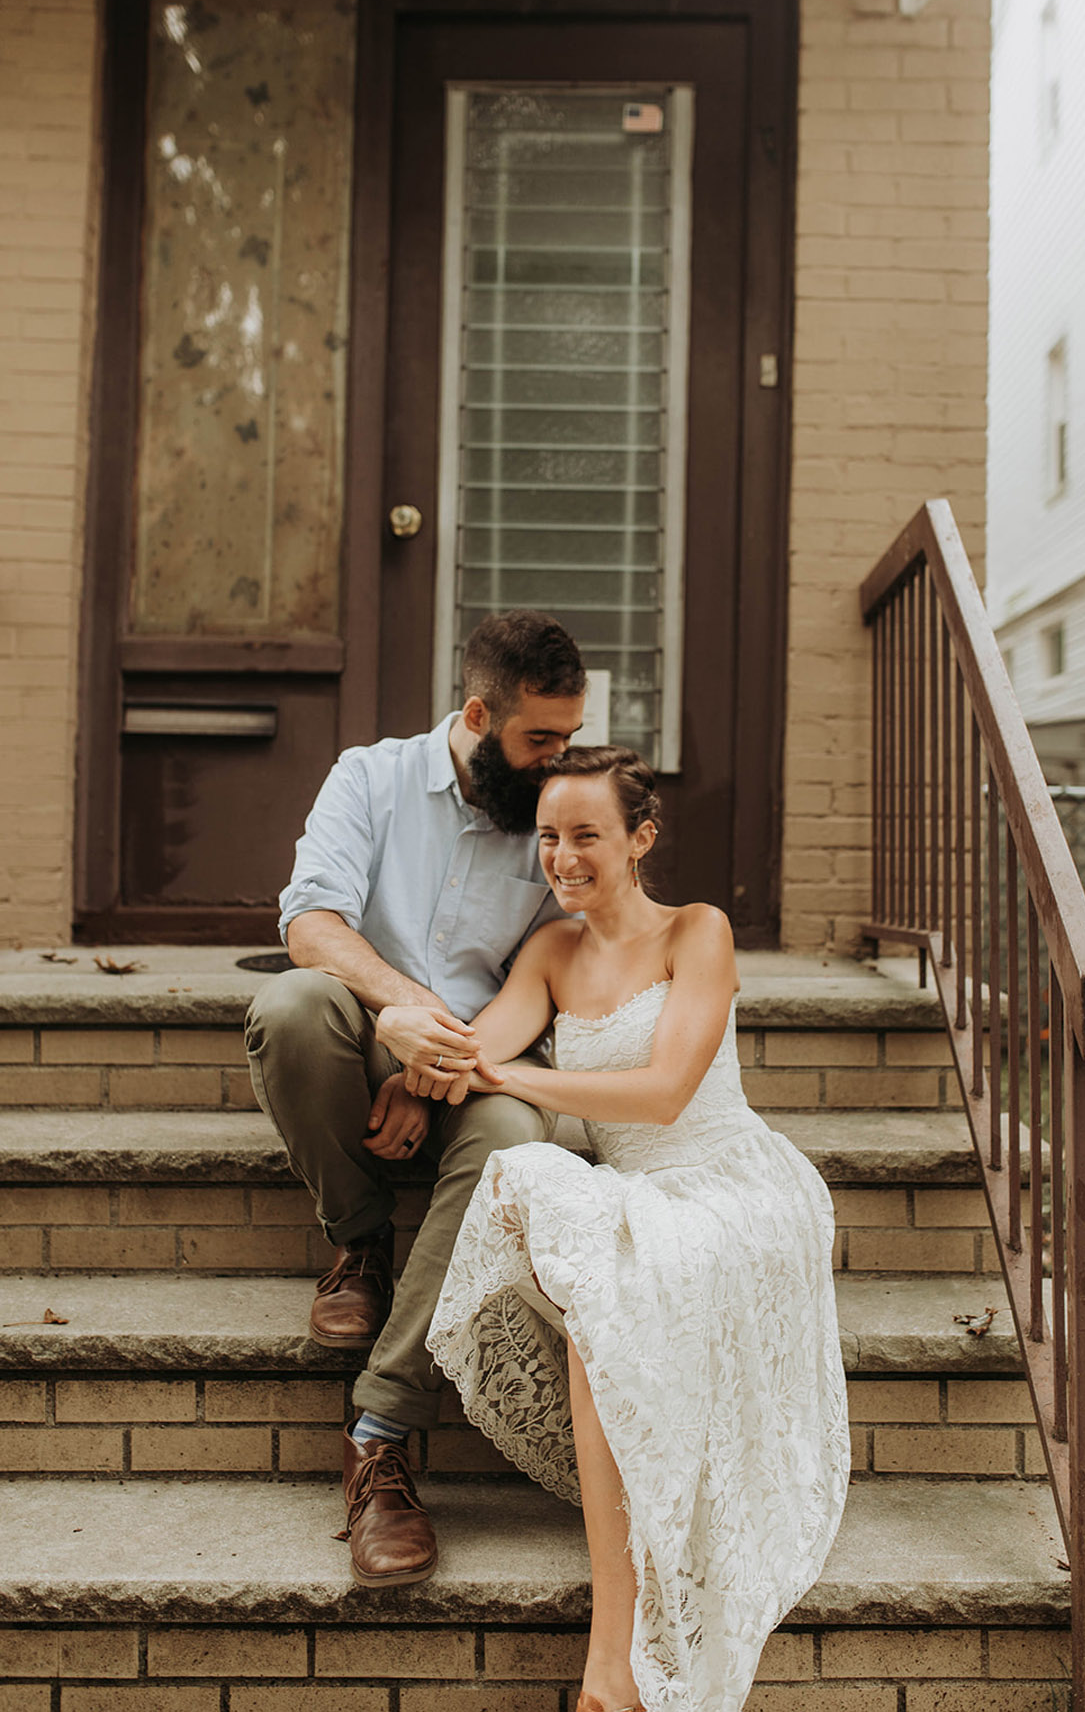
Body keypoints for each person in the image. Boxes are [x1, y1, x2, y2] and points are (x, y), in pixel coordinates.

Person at [425, 746, 850, 1712]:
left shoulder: (698, 931)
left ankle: (608, 1662)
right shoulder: (550, 952)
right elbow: (477, 1048)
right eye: (547, 838)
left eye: (585, 836)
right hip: (636, 1196)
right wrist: (418, 1057)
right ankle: (611, 1663)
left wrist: (512, 1075)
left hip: (730, 1186)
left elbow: (662, 1096)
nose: (562, 857)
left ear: (640, 838)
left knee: (607, 1297)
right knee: (554, 1210)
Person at [243, 609, 587, 1587]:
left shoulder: (554, 810)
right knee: (296, 1003)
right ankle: (358, 1239)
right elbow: (311, 919)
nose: (557, 759)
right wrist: (403, 1016)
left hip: (485, 1068)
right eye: (539, 739)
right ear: (479, 713)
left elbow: (569, 968)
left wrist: (444, 1071)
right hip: (365, 1041)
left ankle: (380, 1428)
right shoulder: (372, 776)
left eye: (568, 735)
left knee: (518, 1134)